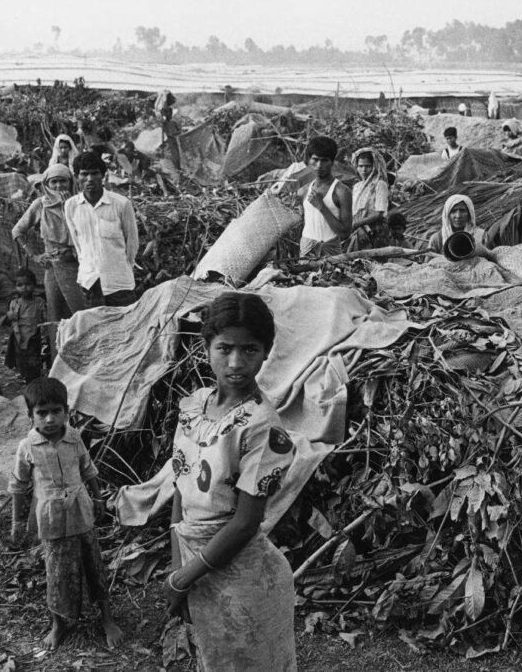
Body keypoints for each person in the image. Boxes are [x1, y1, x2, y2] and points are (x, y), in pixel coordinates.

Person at [164, 292, 296, 671]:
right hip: (199, 566)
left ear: (266, 352)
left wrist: (184, 577)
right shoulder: (193, 407)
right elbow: (182, 485)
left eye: (250, 349)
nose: (236, 363)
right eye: (224, 348)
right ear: (206, 347)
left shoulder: (262, 426)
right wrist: (179, 569)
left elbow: (245, 521)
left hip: (244, 577)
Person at [8, 377, 123, 650]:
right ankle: (59, 625)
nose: (49, 419)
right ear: (30, 416)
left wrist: (98, 498)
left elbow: (88, 468)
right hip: (51, 518)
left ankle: (107, 618)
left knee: (94, 564)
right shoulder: (27, 447)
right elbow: (18, 485)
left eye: (56, 411)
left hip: (81, 512)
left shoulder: (74, 437)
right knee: (57, 571)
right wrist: (17, 522)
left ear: (66, 411)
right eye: (42, 413)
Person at [13, 164, 86, 347]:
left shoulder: (80, 203)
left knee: (80, 312)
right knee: (56, 314)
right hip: (54, 267)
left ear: (71, 183)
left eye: (63, 181)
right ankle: (58, 360)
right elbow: (17, 231)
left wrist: (70, 207)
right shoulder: (41, 205)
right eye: (54, 182)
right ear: (47, 184)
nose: (59, 186)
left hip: (79, 265)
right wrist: (35, 256)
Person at [64, 152, 140, 308]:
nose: (90, 179)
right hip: (90, 284)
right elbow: (78, 244)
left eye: (95, 173)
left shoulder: (121, 204)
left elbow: (132, 242)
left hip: (119, 285)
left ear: (103, 176)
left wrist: (122, 268)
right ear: (77, 177)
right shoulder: (71, 206)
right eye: (84, 174)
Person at [297, 136, 352, 258]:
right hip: (307, 249)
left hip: (331, 250)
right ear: (309, 160)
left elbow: (345, 233)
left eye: (324, 160)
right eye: (315, 160)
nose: (319, 165)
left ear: (332, 162)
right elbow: (306, 222)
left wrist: (321, 206)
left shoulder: (341, 191)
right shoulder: (303, 191)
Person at [5, 268, 46, 383]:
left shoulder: (39, 302)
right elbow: (9, 321)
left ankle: (34, 382)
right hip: (18, 338)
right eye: (20, 285)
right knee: (22, 362)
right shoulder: (14, 303)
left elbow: (44, 318)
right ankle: (28, 382)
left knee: (34, 362)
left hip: (33, 337)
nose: (24, 287)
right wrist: (9, 316)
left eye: (28, 284)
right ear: (15, 287)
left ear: (34, 285)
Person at [346, 147, 389, 252]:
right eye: (360, 166)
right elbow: (354, 211)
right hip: (358, 229)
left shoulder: (380, 184)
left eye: (367, 166)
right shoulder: (357, 186)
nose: (364, 170)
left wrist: (357, 224)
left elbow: (379, 213)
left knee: (375, 261)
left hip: (376, 230)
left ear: (374, 166)